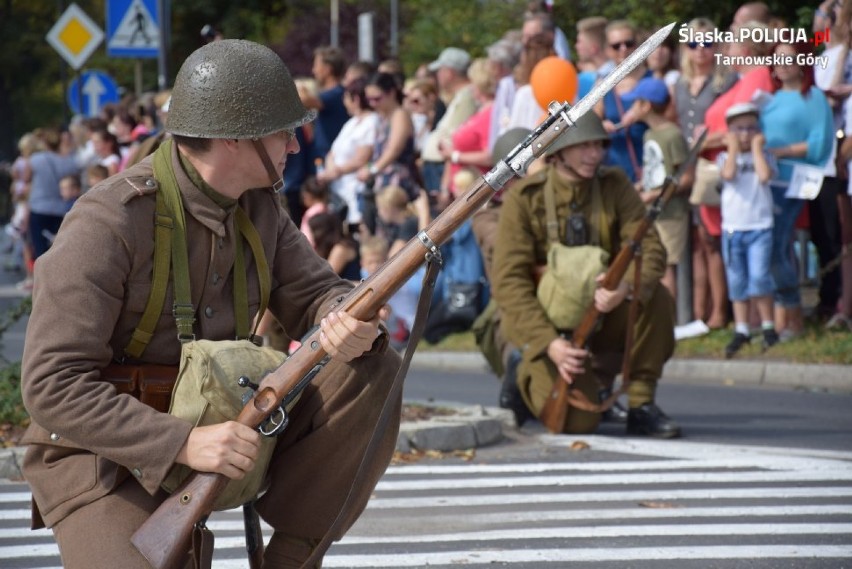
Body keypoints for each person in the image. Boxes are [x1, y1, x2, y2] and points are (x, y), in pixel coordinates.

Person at [20, 39, 401, 568]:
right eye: (283, 133)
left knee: (372, 361)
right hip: (106, 458)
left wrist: (346, 320)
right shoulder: (108, 221)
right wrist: (179, 442)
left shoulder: (259, 207)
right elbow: (51, 384)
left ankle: (292, 556)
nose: (294, 148)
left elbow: (317, 293)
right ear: (234, 141)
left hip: (228, 429)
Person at [491, 111, 680, 438]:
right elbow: (509, 282)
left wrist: (624, 288)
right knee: (576, 423)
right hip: (548, 323)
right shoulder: (525, 199)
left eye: (599, 145)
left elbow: (650, 249)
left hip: (602, 313)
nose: (595, 154)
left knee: (655, 297)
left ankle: (641, 403)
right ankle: (522, 373)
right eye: (584, 146)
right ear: (559, 151)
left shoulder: (614, 186)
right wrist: (548, 344)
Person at [760, 41, 834, 341]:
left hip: (793, 182)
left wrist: (781, 151)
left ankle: (791, 317)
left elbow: (820, 144)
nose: (784, 64)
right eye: (778, 60)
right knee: (774, 247)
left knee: (777, 246)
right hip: (767, 181)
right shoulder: (768, 100)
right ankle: (782, 319)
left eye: (790, 58)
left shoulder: (814, 97)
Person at [716, 103, 779, 357]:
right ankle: (741, 329)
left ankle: (768, 327)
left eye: (751, 128)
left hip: (760, 226)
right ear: (730, 131)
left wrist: (756, 149)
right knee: (737, 280)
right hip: (732, 228)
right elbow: (728, 174)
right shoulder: (723, 157)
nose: (745, 134)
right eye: (739, 129)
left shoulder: (765, 155)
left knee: (759, 278)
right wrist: (731, 148)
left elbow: (764, 176)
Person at [623, 77, 691, 304]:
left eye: (635, 103)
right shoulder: (648, 135)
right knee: (656, 264)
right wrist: (639, 187)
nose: (632, 108)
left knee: (667, 267)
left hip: (672, 214)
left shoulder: (672, 134)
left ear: (647, 105)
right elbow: (655, 171)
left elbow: (685, 178)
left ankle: (671, 318)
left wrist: (653, 195)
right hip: (653, 212)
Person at [298, 46, 350, 163]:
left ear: (327, 69)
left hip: (332, 157)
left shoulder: (336, 93)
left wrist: (301, 90)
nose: (313, 71)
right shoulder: (335, 92)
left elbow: (304, 101)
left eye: (316, 66)